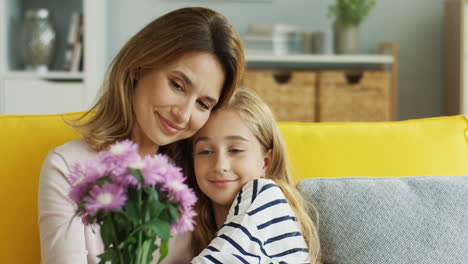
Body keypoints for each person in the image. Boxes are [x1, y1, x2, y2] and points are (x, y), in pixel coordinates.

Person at [38, 7, 244, 264]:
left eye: (203, 104)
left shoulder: (203, 174)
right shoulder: (68, 168)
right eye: (177, 85)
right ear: (139, 65)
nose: (183, 114)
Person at [188, 88, 320, 263]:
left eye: (235, 150)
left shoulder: (266, 195)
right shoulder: (200, 230)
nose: (220, 165)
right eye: (205, 151)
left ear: (265, 162)